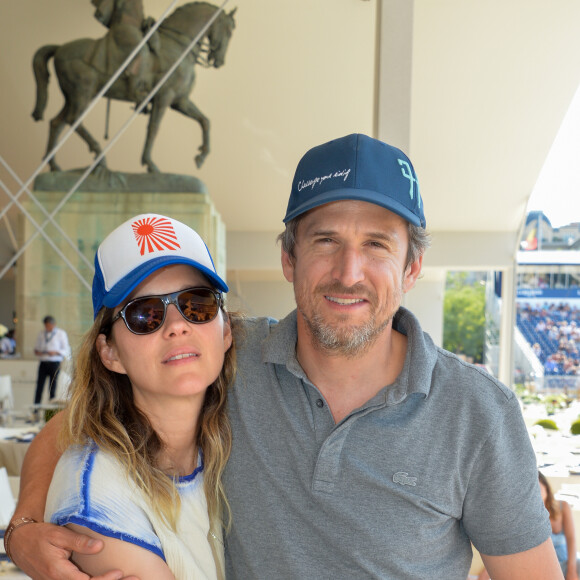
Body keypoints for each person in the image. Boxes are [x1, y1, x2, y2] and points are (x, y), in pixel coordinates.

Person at [7, 134, 563, 579]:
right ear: (289, 259)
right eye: (325, 241)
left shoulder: (478, 413)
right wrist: (24, 527)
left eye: (376, 244)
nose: (349, 272)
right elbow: (83, 426)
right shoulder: (226, 352)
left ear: (411, 269)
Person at [10, 213, 235, 579]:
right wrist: (20, 528)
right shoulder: (99, 502)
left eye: (198, 303)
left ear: (227, 331)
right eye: (145, 314)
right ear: (109, 352)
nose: (177, 325)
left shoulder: (232, 412)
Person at [540, 471, 580, 579]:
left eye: (537, 487)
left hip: (568, 563)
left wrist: (572, 571)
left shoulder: (563, 506)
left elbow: (571, 539)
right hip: (545, 569)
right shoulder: (529, 516)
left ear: (545, 486)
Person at [33, 315, 70, 405]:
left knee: (52, 388)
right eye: (46, 325)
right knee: (39, 387)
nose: (47, 327)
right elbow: (36, 347)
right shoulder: (42, 333)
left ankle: (50, 413)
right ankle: (35, 411)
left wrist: (56, 352)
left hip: (55, 362)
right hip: (43, 362)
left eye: (49, 325)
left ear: (54, 324)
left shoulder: (61, 333)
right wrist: (38, 351)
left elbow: (66, 350)